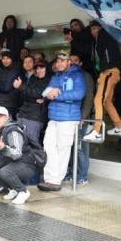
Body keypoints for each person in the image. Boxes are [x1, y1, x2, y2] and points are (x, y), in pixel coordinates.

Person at [37, 52, 86, 192]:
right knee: (48, 146)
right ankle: (50, 178)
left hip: (68, 118)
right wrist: (49, 94)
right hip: (53, 117)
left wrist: (57, 95)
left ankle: (55, 180)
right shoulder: (55, 76)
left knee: (62, 149)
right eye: (57, 61)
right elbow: (45, 92)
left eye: (62, 61)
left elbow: (79, 94)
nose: (59, 64)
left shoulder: (78, 75)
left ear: (69, 62)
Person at [0, 106, 36, 205]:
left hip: (25, 164)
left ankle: (23, 191)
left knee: (5, 172)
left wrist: (4, 148)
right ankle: (13, 188)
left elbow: (17, 154)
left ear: (7, 117)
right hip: (11, 162)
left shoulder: (13, 130)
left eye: (0, 116)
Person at [89, 20, 121, 141]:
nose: (93, 32)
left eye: (94, 28)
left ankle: (96, 130)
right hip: (110, 72)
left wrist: (100, 24)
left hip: (109, 72)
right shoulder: (101, 40)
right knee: (107, 101)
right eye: (91, 30)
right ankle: (119, 127)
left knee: (98, 100)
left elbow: (104, 26)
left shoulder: (105, 34)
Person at [65, 54, 95, 187]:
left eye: (75, 61)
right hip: (69, 117)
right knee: (71, 147)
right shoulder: (67, 75)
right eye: (70, 61)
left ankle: (82, 176)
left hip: (81, 118)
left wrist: (83, 116)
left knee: (81, 148)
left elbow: (88, 98)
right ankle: (72, 174)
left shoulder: (85, 76)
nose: (72, 63)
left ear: (81, 63)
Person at [13, 59, 51, 143]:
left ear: (47, 69)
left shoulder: (50, 81)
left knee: (31, 144)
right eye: (37, 68)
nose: (39, 70)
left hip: (35, 117)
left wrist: (22, 87)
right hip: (23, 113)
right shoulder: (34, 79)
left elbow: (38, 93)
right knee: (19, 142)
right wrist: (34, 97)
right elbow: (25, 95)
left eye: (41, 68)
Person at [0, 50, 21, 119]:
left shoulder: (16, 70)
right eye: (3, 58)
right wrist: (0, 84)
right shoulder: (1, 70)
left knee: (6, 127)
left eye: (8, 58)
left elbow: (6, 87)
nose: (5, 60)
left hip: (8, 105)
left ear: (12, 59)